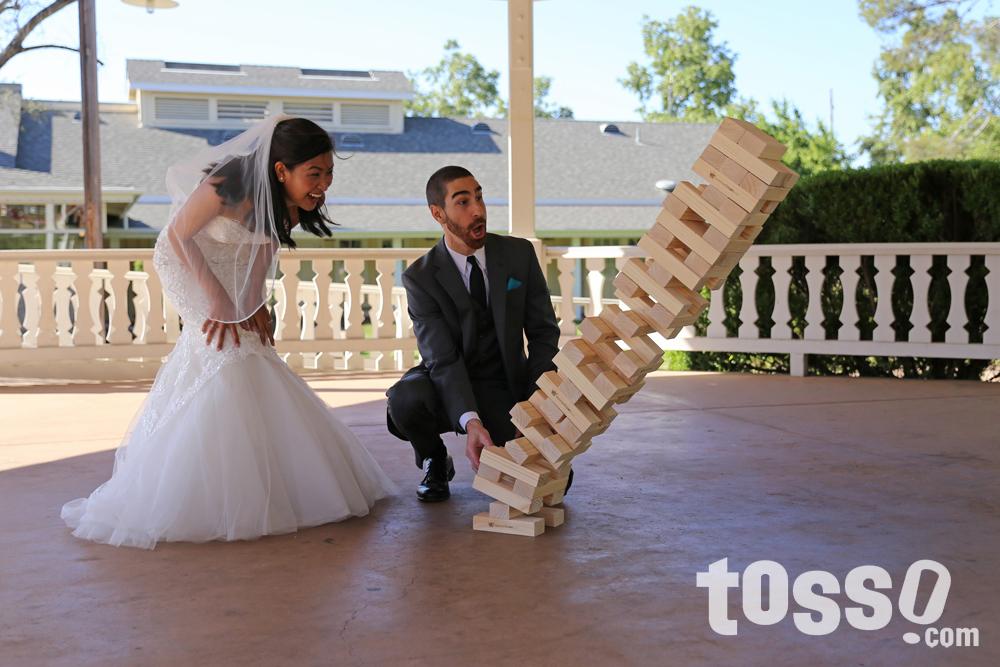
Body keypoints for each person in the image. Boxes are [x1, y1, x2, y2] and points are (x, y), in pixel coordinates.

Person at [61, 116, 395, 549]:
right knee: (221, 348)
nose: (323, 184)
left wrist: (255, 303)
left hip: (231, 271)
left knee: (251, 344)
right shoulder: (227, 183)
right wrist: (219, 300)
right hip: (186, 264)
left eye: (329, 173)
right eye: (315, 174)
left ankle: (273, 479)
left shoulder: (289, 205)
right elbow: (178, 238)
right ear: (281, 170)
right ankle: (191, 491)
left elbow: (261, 252)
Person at [386, 166, 563, 502]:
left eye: (479, 197)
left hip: (505, 385)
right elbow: (441, 358)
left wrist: (537, 405)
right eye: (463, 202)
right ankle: (436, 459)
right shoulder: (420, 277)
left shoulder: (518, 255)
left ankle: (508, 435)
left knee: (545, 487)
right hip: (449, 380)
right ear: (438, 213)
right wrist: (470, 421)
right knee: (404, 401)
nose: (478, 210)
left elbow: (543, 333)